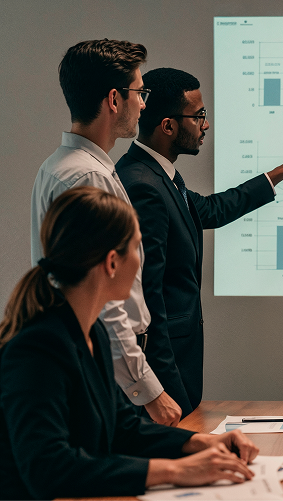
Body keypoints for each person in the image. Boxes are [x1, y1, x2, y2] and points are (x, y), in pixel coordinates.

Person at [1, 186, 260, 500]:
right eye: (138, 248)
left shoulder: (91, 330)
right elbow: (48, 469)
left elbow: (122, 427)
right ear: (112, 262)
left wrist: (198, 443)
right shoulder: (37, 349)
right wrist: (176, 472)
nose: (142, 261)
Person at [116, 67, 283, 417]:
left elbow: (211, 210)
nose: (205, 125)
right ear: (168, 126)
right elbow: (147, 299)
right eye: (199, 116)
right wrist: (163, 393)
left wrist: (281, 172)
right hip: (165, 381)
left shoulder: (160, 176)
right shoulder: (143, 184)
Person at [31, 39, 182, 426]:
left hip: (106, 361)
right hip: (112, 367)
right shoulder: (88, 175)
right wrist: (149, 391)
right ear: (114, 99)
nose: (144, 104)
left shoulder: (63, 165)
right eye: (139, 93)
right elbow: (103, 296)